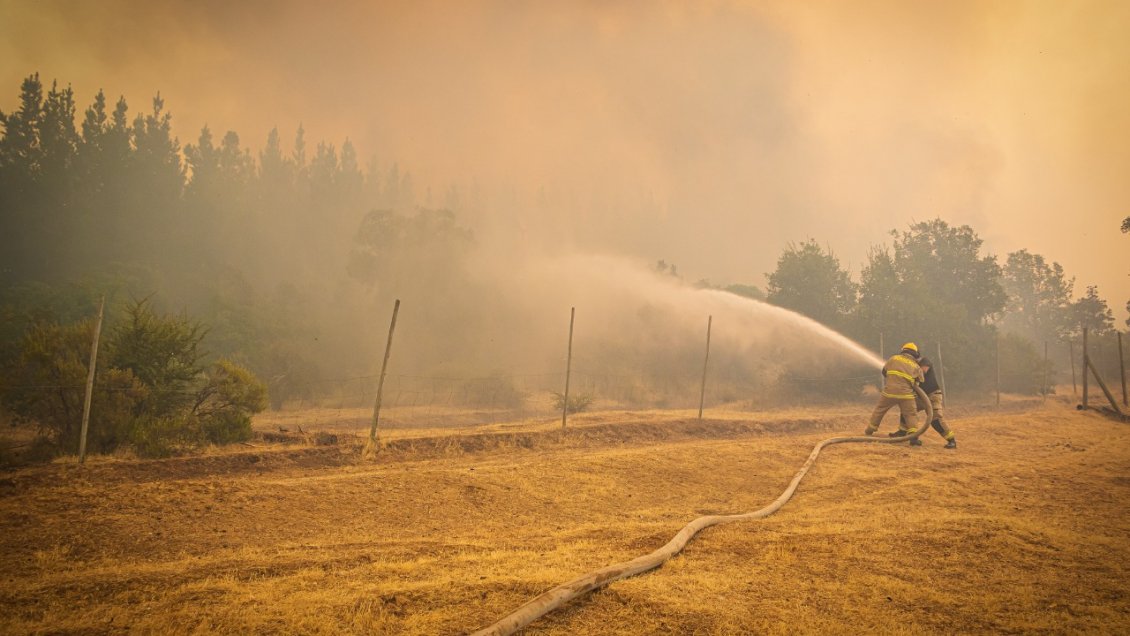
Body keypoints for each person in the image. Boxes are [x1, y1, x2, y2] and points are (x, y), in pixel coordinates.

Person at [892, 355, 957, 449]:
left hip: (933, 396)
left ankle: (951, 440)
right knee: (907, 409)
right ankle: (904, 433)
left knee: (935, 419)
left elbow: (923, 371)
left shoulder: (924, 360)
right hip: (920, 397)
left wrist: (907, 374)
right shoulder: (910, 366)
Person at [864, 342, 924, 442]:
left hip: (889, 392)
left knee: (880, 410)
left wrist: (893, 380)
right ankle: (913, 438)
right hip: (906, 395)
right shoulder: (916, 366)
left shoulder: (894, 359)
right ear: (915, 354)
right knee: (910, 414)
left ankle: (870, 430)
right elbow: (919, 382)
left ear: (903, 350)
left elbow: (884, 372)